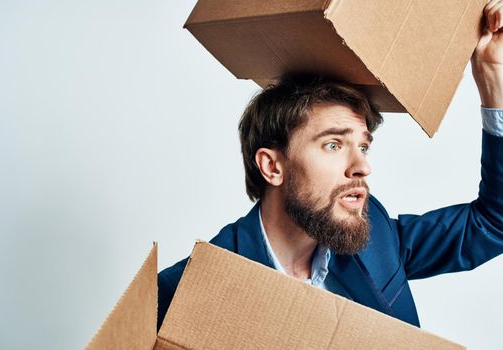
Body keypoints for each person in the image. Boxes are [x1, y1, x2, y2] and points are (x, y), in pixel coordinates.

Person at [157, 2, 503, 329]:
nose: (362, 166)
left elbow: (493, 223)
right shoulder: (186, 290)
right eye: (334, 144)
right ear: (272, 167)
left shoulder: (376, 236)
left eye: (363, 146)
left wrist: (492, 77)